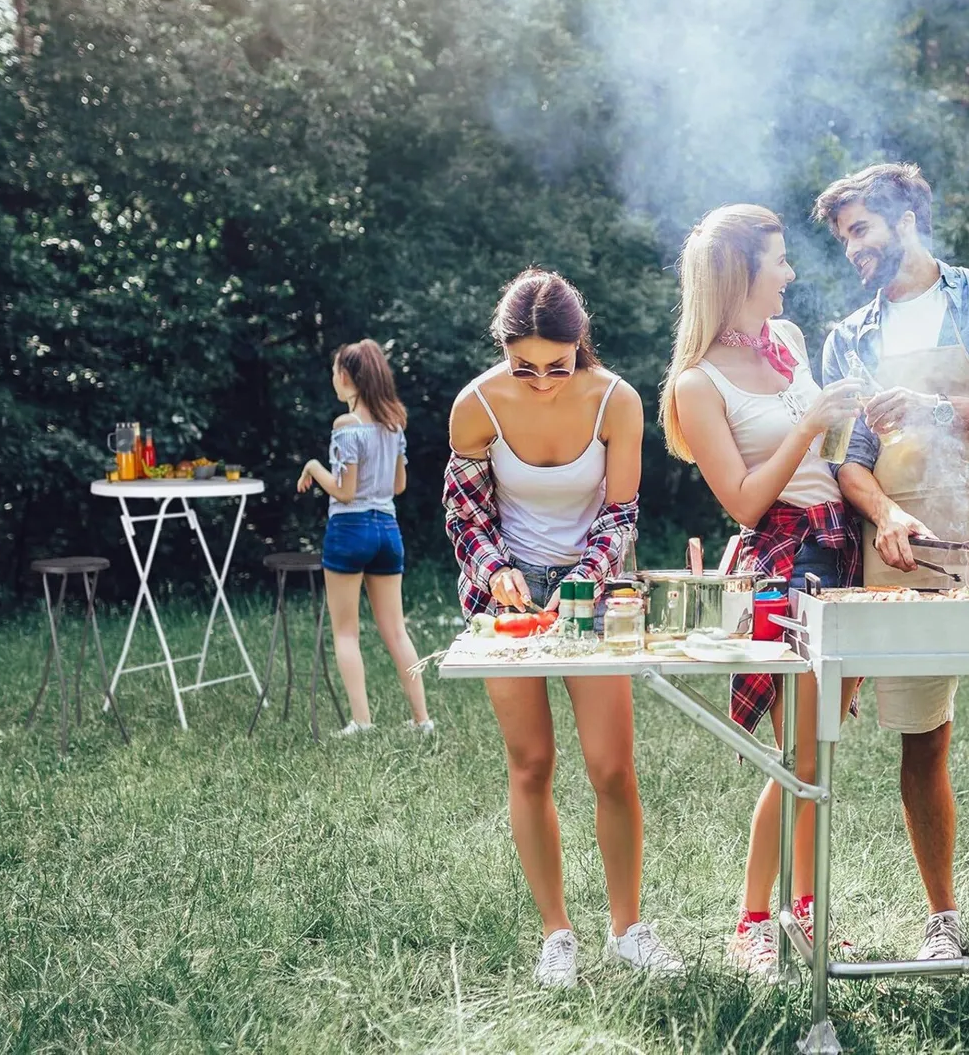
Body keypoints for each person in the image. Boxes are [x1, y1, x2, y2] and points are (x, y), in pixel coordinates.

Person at [815, 162, 969, 987]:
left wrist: (938, 410)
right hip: (903, 556)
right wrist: (886, 514)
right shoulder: (847, 336)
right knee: (923, 740)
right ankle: (942, 922)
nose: (852, 248)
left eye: (861, 229)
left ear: (908, 215)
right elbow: (849, 461)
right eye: (844, 236)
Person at [443, 268, 682, 989]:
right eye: (526, 367)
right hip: (507, 597)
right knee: (532, 766)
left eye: (559, 364)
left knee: (611, 767)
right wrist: (493, 571)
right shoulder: (475, 404)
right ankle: (557, 935)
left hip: (595, 590)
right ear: (504, 351)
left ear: (582, 346)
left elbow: (620, 512)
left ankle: (628, 930)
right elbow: (465, 515)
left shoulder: (617, 401)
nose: (543, 380)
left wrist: (588, 574)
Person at [660, 205, 863, 978]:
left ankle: (803, 909)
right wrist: (810, 425)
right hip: (781, 558)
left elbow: (827, 458)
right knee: (800, 756)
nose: (789, 273)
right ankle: (753, 921)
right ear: (739, 273)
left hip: (837, 547)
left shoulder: (790, 342)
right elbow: (744, 502)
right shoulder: (695, 383)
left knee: (818, 752)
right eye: (777, 261)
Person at [297, 339, 432, 737]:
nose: (333, 380)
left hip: (350, 530)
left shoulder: (346, 426)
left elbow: (345, 491)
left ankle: (362, 722)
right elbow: (399, 484)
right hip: (387, 531)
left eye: (336, 372)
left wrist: (312, 467)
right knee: (395, 630)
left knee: (346, 631)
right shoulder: (394, 425)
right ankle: (422, 720)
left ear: (349, 377)